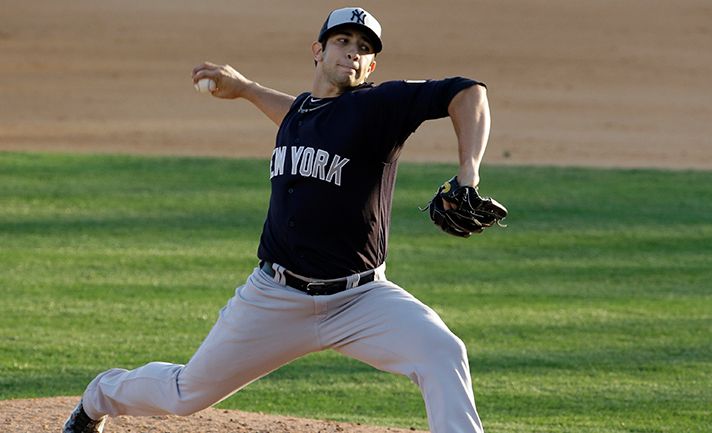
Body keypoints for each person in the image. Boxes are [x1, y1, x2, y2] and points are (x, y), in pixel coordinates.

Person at [63, 7, 491, 433]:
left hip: (362, 300)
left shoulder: (379, 107)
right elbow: (298, 115)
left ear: (372, 65)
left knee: (443, 351)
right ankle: (97, 399)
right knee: (185, 393)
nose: (352, 53)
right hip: (274, 298)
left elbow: (468, 92)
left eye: (363, 49)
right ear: (317, 51)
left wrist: (468, 174)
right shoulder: (302, 114)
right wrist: (247, 89)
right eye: (342, 42)